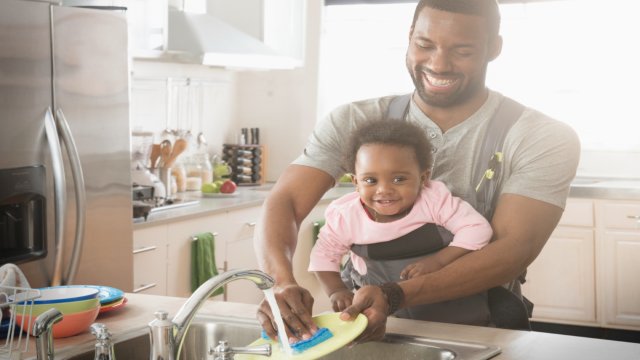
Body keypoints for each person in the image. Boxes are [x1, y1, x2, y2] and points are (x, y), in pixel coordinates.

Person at [255, 0, 580, 344]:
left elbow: (514, 250)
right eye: (425, 45)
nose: (439, 64)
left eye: (463, 50)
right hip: (363, 329)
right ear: (409, 37)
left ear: (494, 48)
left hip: (480, 333)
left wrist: (395, 294)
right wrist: (280, 281)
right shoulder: (352, 121)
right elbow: (286, 200)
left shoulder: (540, 136)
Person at [309, 119, 493, 314]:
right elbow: (323, 255)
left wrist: (438, 261)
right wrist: (336, 290)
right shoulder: (346, 216)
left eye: (399, 179)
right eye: (370, 180)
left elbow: (477, 229)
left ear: (423, 178)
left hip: (448, 307)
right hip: (382, 313)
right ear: (356, 182)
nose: (384, 190)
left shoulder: (434, 200)